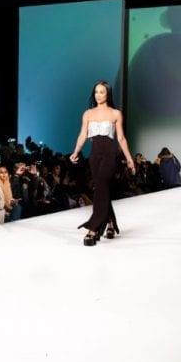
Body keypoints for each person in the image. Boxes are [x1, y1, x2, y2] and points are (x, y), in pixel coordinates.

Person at [70, 80, 134, 246]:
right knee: (101, 188)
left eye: (102, 92)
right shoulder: (88, 114)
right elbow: (82, 135)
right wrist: (76, 152)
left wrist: (129, 158)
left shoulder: (115, 113)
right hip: (94, 155)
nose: (98, 95)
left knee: (101, 186)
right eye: (96, 92)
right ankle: (110, 223)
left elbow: (121, 138)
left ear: (108, 94)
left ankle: (93, 228)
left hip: (110, 154)